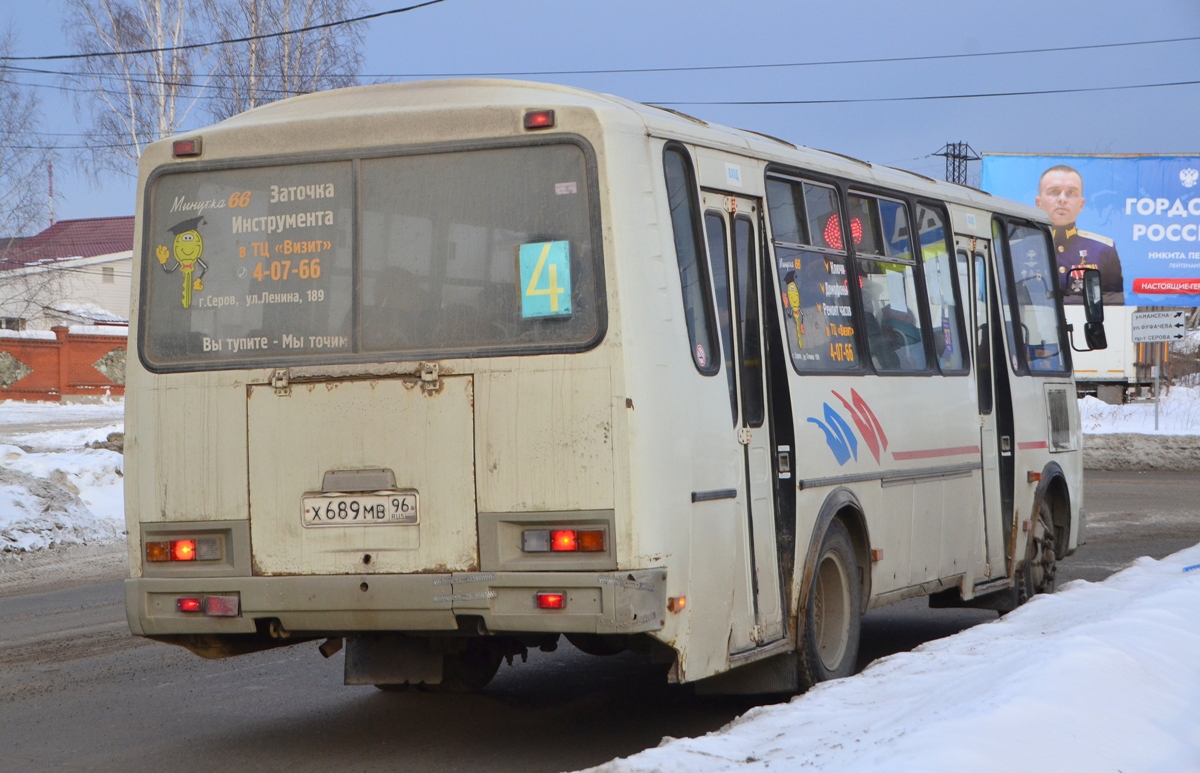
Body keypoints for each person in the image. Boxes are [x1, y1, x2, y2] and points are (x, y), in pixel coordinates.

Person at [1035, 164, 1124, 305]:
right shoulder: (1015, 249)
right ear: (1038, 203)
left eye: (1070, 193)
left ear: (1081, 204)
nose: (1062, 199)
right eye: (1054, 192)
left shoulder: (1104, 250)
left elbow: (1114, 304)